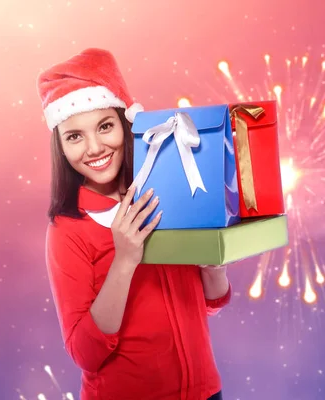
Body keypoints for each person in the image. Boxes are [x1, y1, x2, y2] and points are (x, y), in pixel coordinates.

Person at [36, 48, 231, 400]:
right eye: (75, 136)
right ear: (60, 147)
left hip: (206, 392)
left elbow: (206, 305)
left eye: (105, 126)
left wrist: (213, 269)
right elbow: (86, 353)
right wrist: (125, 260)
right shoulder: (67, 229)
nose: (94, 148)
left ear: (126, 124)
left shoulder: (167, 190)